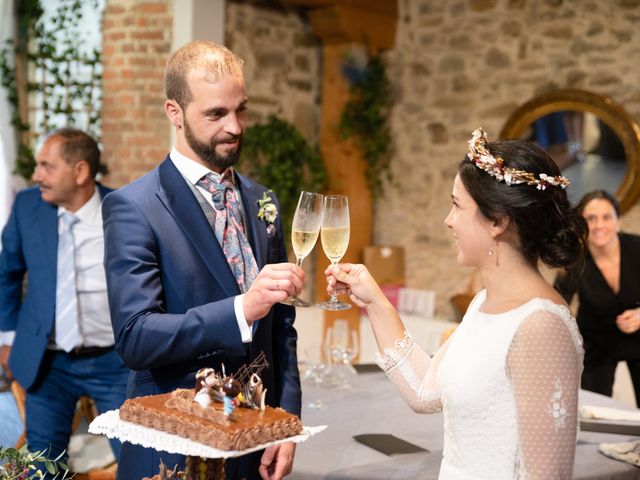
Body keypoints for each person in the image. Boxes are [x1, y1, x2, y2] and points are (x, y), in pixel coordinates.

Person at [326, 128, 587, 479]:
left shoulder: (541, 326)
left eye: (456, 205)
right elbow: (425, 391)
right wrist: (375, 301)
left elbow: (546, 475)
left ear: (497, 221)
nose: (448, 221)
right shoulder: (482, 304)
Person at [102, 41, 304, 480]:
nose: (234, 127)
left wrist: (287, 423)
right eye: (216, 114)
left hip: (255, 439)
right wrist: (240, 310)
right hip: (176, 444)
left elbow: (282, 330)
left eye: (241, 110)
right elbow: (136, 338)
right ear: (174, 111)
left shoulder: (262, 200)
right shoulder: (133, 207)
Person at [0, 128, 129, 469]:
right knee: (45, 467)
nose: (36, 175)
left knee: (138, 461)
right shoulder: (28, 206)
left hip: (115, 361)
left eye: (47, 166)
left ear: (80, 171)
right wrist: (8, 338)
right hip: (48, 362)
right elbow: (6, 273)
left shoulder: (123, 210)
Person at [555, 190, 640, 406]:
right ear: (582, 225)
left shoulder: (636, 247)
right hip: (596, 343)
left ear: (618, 221)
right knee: (597, 408)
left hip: (638, 337)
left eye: (606, 217)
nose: (599, 225)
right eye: (591, 219)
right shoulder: (574, 261)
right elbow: (556, 305)